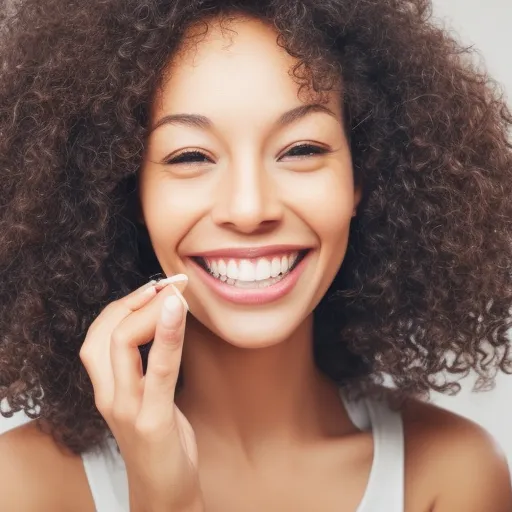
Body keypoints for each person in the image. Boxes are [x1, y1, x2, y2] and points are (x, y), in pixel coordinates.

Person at [0, 0, 512, 510]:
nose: (249, 209)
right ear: (129, 191)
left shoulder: (449, 476)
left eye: (302, 149)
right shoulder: (24, 485)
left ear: (363, 175)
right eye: (191, 156)